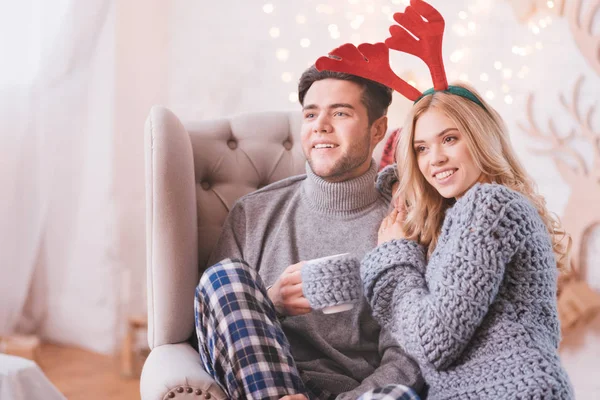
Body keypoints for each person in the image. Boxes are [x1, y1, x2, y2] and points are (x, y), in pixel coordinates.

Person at [194, 65, 424, 400]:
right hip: (265, 384)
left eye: (340, 113)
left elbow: (407, 353)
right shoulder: (253, 213)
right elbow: (211, 323)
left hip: (359, 393)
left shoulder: (406, 222)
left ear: (378, 130)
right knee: (225, 278)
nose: (320, 126)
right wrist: (269, 302)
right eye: (311, 114)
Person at [361, 81, 574, 399]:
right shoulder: (471, 213)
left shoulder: (487, 205)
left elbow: (434, 343)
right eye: (421, 148)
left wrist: (393, 257)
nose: (435, 159)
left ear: (480, 138)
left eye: (449, 139)